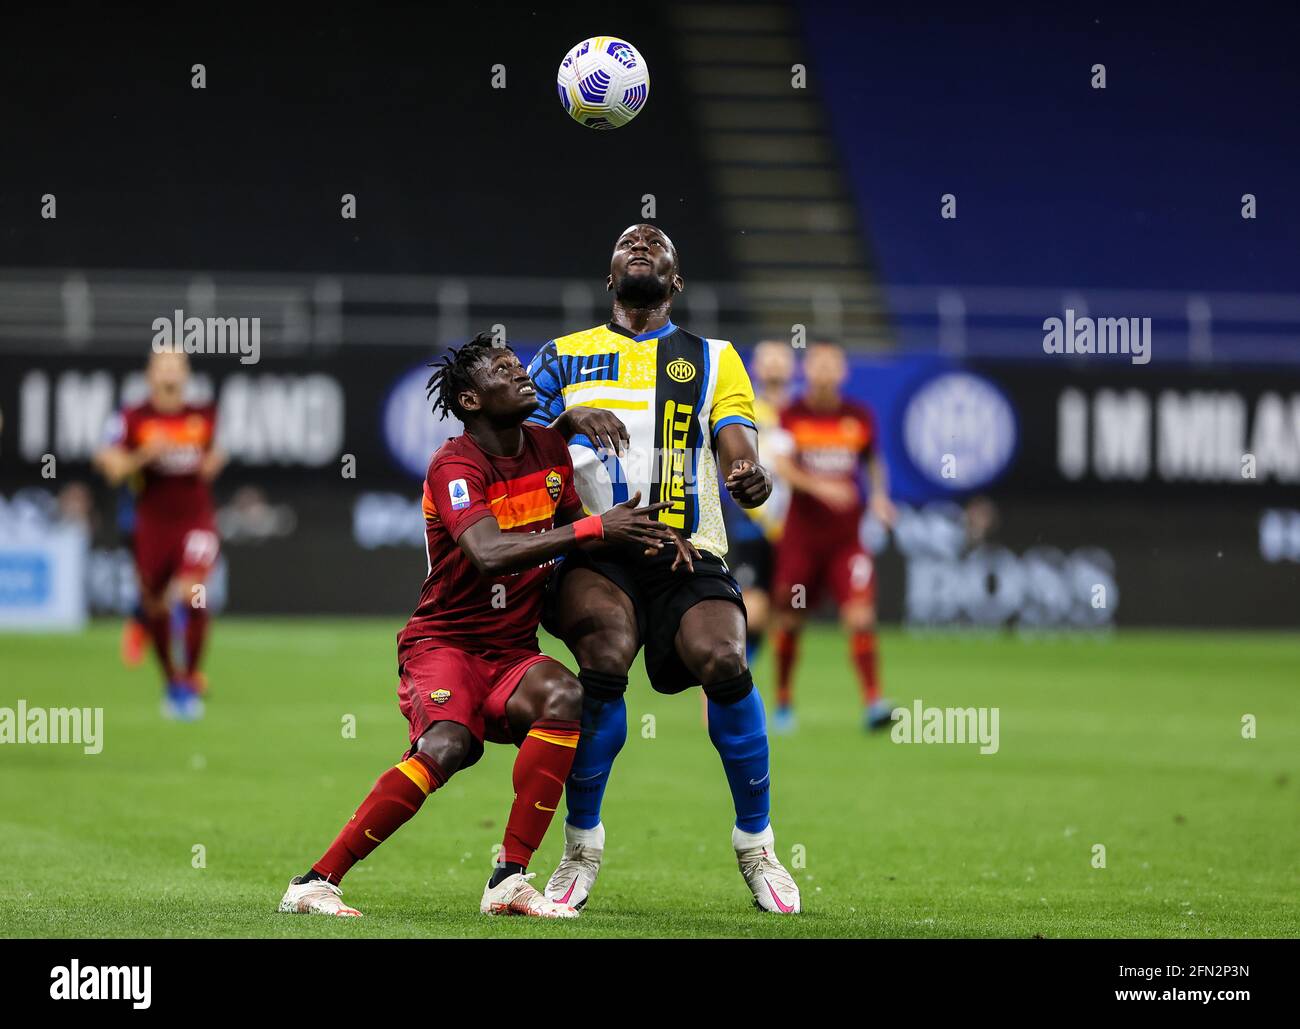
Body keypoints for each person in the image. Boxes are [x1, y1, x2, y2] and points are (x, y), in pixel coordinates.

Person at [278, 332, 677, 919]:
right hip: (444, 643)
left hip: (512, 648)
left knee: (566, 696)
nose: (521, 373)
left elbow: (571, 533)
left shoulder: (547, 449)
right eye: (503, 369)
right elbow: (488, 551)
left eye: (519, 364)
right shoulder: (454, 464)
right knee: (449, 745)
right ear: (470, 401)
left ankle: (509, 880)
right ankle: (314, 882)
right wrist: (596, 528)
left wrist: (652, 547)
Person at [526, 223, 801, 914]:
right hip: (594, 549)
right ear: (609, 278)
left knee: (725, 658)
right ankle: (581, 843)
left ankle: (756, 841)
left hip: (689, 550)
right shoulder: (562, 357)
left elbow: (738, 439)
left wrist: (747, 473)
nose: (641, 244)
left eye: (657, 243)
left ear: (675, 281)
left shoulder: (714, 357)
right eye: (627, 243)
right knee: (606, 655)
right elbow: (516, 443)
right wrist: (564, 422)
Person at [769, 342, 897, 732]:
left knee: (860, 616)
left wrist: (879, 497)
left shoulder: (857, 417)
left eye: (832, 366)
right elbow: (782, 467)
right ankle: (784, 701)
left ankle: (874, 701)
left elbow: (874, 461)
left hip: (847, 541)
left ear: (843, 373)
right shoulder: (791, 416)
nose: (825, 373)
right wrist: (822, 487)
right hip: (802, 540)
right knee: (790, 621)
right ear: (807, 371)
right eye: (818, 366)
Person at [94, 351, 225, 719]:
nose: (169, 372)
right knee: (154, 604)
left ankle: (191, 674)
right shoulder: (131, 417)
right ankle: (173, 681)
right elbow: (110, 468)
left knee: (193, 592)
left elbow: (212, 456)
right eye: (162, 365)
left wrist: (213, 461)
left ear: (185, 374)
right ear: (150, 374)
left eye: (176, 365)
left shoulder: (203, 415)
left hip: (195, 520)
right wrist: (142, 456)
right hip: (152, 523)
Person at [721, 340, 795, 665]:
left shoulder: (801, 414)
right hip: (753, 521)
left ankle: (780, 699)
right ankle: (731, 677)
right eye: (769, 360)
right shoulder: (745, 410)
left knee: (788, 611)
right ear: (756, 368)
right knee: (753, 609)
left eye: (782, 359)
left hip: (795, 526)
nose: (776, 366)